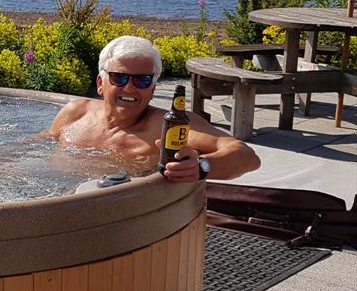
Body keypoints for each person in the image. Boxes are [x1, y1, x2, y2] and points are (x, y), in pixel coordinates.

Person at [46, 35, 260, 182]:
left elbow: (247, 156)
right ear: (101, 84)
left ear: (153, 89)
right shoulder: (75, 112)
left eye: (142, 80)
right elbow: (35, 146)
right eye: (119, 77)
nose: (129, 88)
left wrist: (202, 167)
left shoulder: (167, 127)